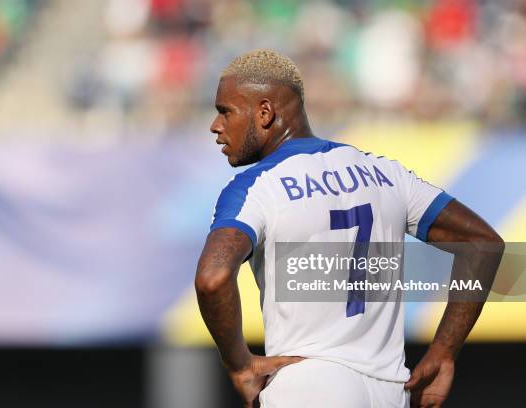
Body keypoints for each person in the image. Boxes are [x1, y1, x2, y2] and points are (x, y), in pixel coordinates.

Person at [195, 49, 504, 408]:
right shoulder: (386, 174)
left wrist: (239, 365)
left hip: (309, 386)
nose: (216, 126)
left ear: (265, 113)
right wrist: (445, 351)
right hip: (390, 392)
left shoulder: (256, 185)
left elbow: (212, 278)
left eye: (224, 111)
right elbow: (483, 243)